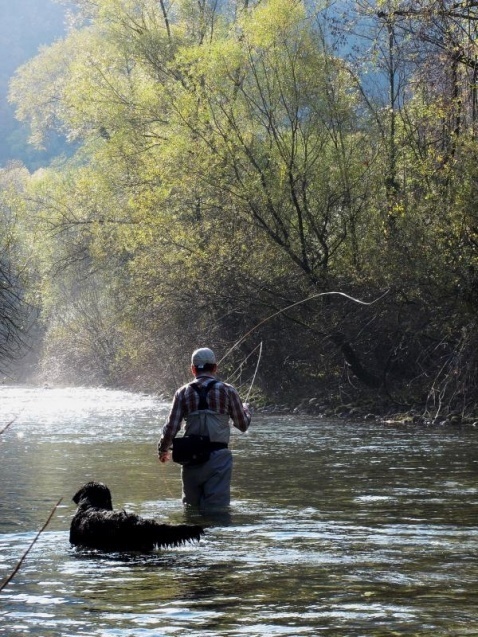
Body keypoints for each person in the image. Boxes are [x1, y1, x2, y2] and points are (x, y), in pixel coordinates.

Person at [158, 347, 251, 510]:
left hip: (190, 458)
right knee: (217, 511)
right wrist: (245, 410)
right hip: (218, 460)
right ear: (215, 367)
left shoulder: (182, 393)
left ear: (193, 369)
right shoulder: (228, 390)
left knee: (191, 509)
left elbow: (171, 428)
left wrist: (163, 450)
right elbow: (242, 425)